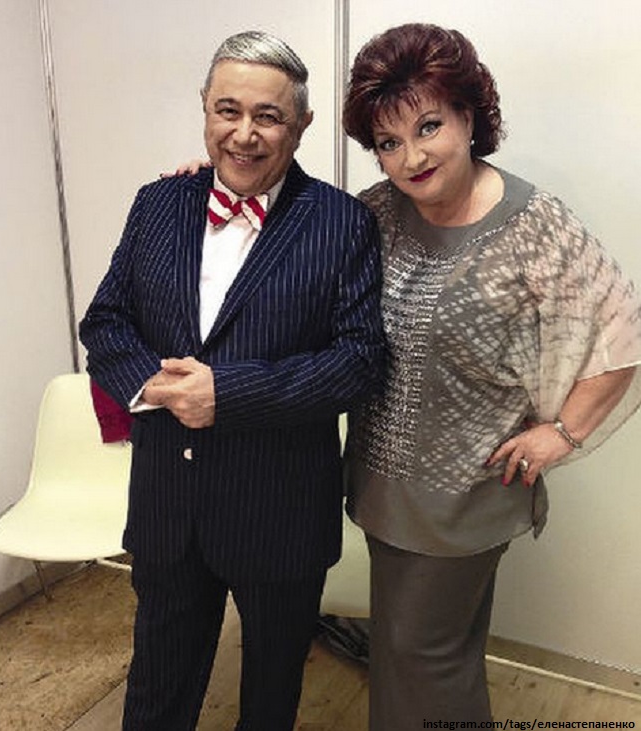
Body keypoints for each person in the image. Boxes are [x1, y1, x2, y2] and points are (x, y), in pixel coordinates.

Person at [79, 30, 384, 731]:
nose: (244, 135)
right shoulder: (157, 203)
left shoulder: (343, 224)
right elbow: (106, 321)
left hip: (279, 511)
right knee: (156, 689)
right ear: (205, 109)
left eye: (268, 116)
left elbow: (359, 362)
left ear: (301, 124)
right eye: (228, 110)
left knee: (271, 696)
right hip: (168, 505)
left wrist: (228, 393)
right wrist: (153, 387)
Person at [339, 22, 641, 727]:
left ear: (470, 116)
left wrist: (561, 433)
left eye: (429, 126)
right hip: (384, 486)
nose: (412, 156)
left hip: (467, 497)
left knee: (424, 657)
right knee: (411, 652)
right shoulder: (375, 212)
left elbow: (623, 331)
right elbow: (290, 238)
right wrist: (205, 184)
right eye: (388, 141)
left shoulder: (533, 224)